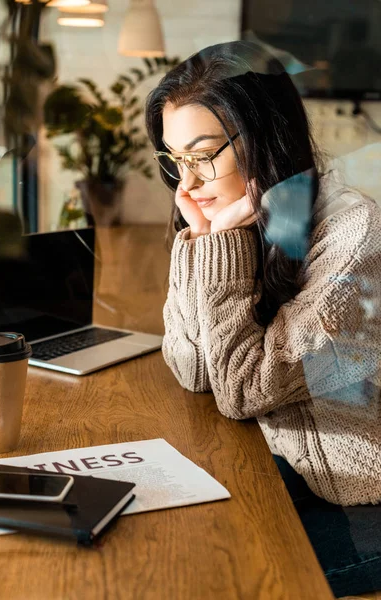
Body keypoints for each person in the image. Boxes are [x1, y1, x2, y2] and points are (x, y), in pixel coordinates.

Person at [145, 41, 381, 597]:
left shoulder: (355, 237)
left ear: (263, 137)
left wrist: (220, 243)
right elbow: (192, 368)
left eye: (203, 155)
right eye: (176, 159)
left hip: (354, 505)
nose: (187, 184)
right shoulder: (240, 217)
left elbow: (242, 389)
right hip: (274, 470)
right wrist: (201, 241)